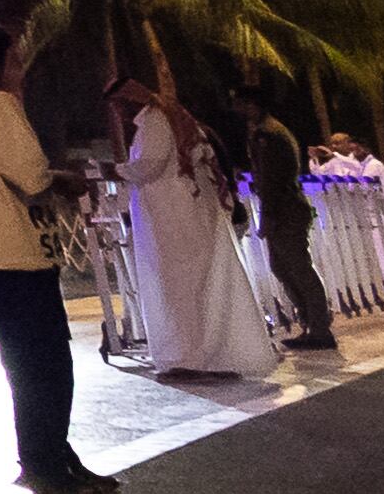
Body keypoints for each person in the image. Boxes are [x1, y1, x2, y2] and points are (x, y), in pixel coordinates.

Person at [0, 16, 110, 494]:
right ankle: (48, 461)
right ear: (3, 58)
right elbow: (30, 178)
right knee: (49, 363)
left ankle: (47, 454)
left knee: (20, 362)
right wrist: (64, 179)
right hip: (20, 245)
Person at [108, 76, 277, 378]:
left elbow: (152, 164)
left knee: (183, 287)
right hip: (181, 214)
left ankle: (192, 359)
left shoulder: (156, 119)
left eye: (119, 103)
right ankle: (205, 357)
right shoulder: (166, 118)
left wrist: (117, 170)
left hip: (175, 216)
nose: (118, 112)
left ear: (128, 100)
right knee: (192, 286)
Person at [245, 100, 339, 352]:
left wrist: (266, 216)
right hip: (284, 209)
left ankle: (319, 328)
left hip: (285, 210)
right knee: (284, 268)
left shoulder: (268, 134)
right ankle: (312, 325)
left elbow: (272, 180)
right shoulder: (271, 131)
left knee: (298, 270)